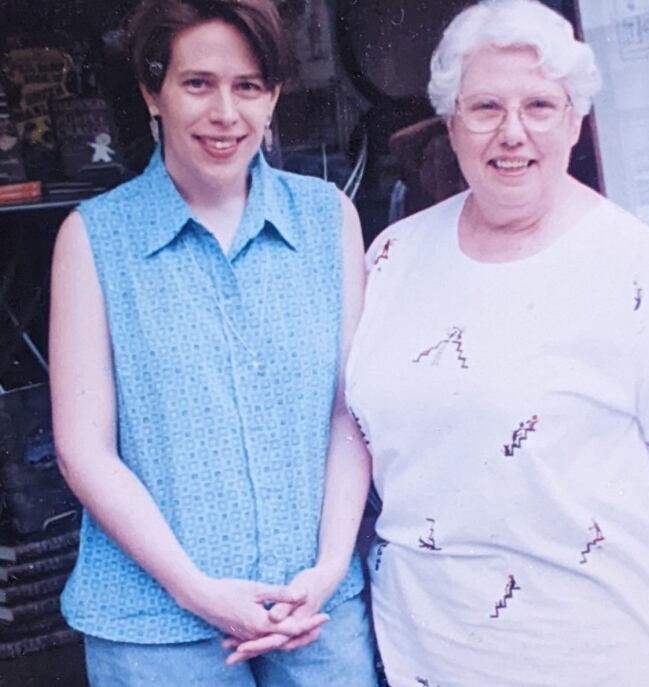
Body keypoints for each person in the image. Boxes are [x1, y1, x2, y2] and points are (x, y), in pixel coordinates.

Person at [345, 1, 649, 686]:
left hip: (593, 658)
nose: (512, 133)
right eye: (485, 107)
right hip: (420, 656)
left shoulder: (641, 272)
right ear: (451, 123)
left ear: (575, 121)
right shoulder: (393, 256)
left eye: (540, 106)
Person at [49, 1, 376, 684]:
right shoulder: (95, 238)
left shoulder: (327, 220)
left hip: (314, 615)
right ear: (152, 91)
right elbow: (85, 450)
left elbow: (351, 412)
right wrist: (197, 589)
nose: (225, 112)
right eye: (198, 83)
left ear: (274, 95)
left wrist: (328, 567)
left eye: (248, 86)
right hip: (155, 630)